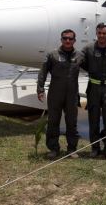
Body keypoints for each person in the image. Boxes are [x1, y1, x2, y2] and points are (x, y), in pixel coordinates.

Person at [37, 29, 84, 160]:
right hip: (55, 93)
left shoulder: (80, 55)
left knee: (72, 122)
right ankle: (53, 148)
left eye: (70, 38)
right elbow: (43, 72)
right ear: (61, 39)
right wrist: (40, 89)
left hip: (72, 94)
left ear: (74, 40)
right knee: (53, 121)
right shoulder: (52, 55)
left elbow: (94, 68)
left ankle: (72, 149)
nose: (67, 41)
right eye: (65, 38)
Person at [81, 23, 106, 162]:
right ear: (96, 33)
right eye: (99, 33)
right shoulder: (88, 49)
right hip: (94, 87)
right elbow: (81, 63)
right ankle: (94, 148)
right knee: (93, 118)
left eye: (104, 33)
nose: (101, 36)